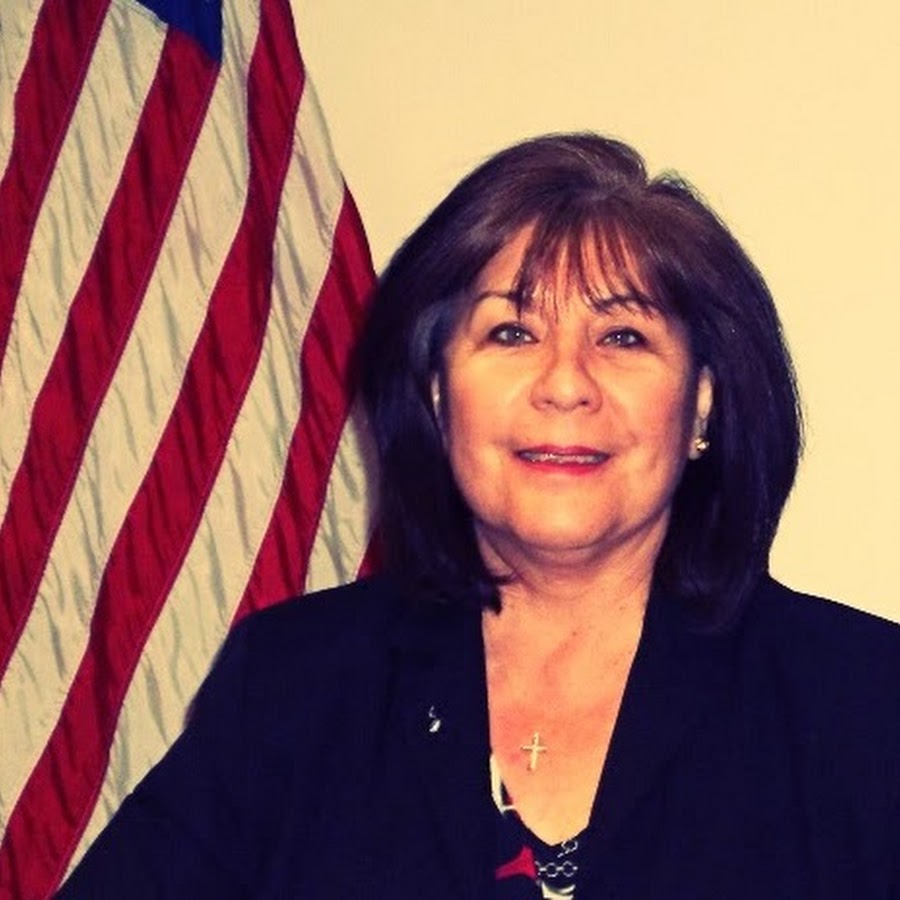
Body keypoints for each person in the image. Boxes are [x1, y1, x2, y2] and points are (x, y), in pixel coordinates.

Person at [58, 133, 900, 899]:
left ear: (703, 405)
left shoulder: (865, 703)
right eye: (511, 333)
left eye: (622, 337)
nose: (564, 384)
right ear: (436, 392)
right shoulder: (293, 681)